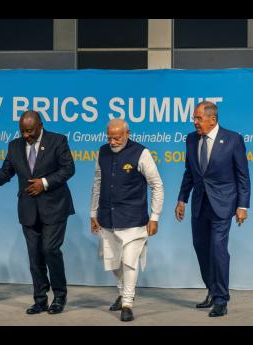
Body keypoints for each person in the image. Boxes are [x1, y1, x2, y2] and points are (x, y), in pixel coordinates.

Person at [0, 110, 75, 315]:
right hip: (28, 209)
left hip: (54, 207)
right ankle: (40, 299)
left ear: (40, 125)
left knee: (50, 249)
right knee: (34, 257)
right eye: (23, 131)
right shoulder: (14, 145)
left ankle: (60, 296)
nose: (26, 135)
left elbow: (68, 169)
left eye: (30, 131)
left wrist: (44, 183)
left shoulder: (57, 141)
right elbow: (7, 170)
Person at [175, 101, 251, 317]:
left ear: (212, 119)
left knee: (218, 249)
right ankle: (212, 289)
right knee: (201, 247)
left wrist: (242, 206)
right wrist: (182, 199)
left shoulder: (233, 139)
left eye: (198, 118)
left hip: (224, 204)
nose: (195, 122)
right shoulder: (191, 139)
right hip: (200, 204)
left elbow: (242, 176)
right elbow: (189, 172)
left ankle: (220, 299)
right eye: (194, 118)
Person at [90, 118, 163, 322]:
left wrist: (155, 216)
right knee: (114, 263)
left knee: (130, 262)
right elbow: (97, 183)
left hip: (134, 219)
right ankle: (122, 292)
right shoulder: (102, 152)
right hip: (107, 217)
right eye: (110, 137)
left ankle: (127, 303)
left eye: (117, 138)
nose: (112, 142)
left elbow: (156, 185)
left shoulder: (141, 153)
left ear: (127, 134)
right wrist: (92, 213)